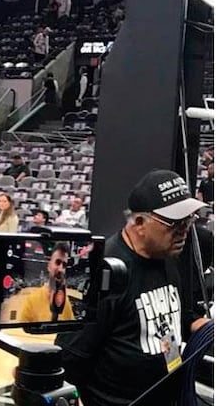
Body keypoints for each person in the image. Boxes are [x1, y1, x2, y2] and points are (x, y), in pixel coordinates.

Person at [56, 170, 209, 406]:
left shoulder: (168, 256)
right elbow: (70, 357)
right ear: (139, 223)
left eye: (189, 220)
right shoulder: (102, 269)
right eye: (175, 222)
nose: (185, 229)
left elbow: (183, 318)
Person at [19, 241, 75, 323]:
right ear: (49, 266)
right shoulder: (32, 300)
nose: (60, 269)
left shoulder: (66, 303)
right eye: (57, 262)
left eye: (64, 265)